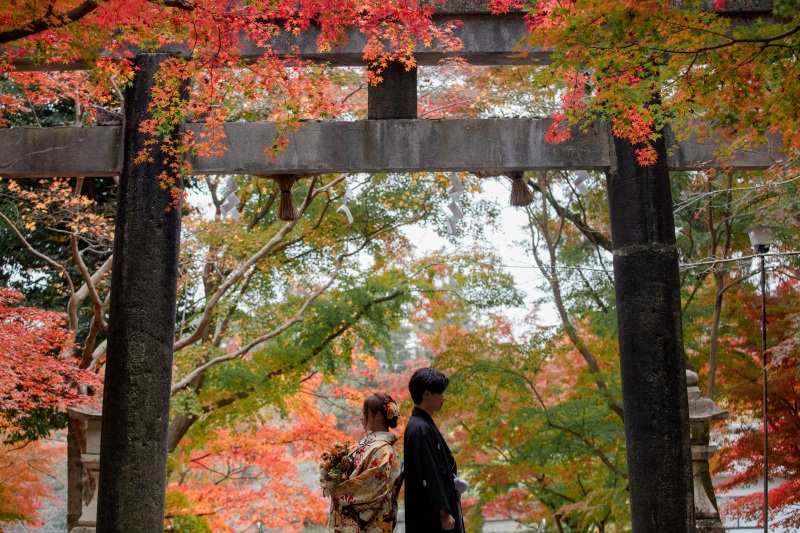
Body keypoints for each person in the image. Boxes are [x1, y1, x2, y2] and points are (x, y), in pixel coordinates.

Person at [329, 392, 404, 533]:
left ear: (378, 416)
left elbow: (371, 487)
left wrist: (337, 489)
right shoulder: (373, 447)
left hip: (372, 523)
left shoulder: (384, 451)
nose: (361, 417)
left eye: (364, 413)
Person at [404, 368, 466, 533]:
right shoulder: (419, 428)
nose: (444, 397)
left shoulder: (422, 424)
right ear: (427, 394)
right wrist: (443, 511)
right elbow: (428, 472)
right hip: (433, 516)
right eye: (440, 392)